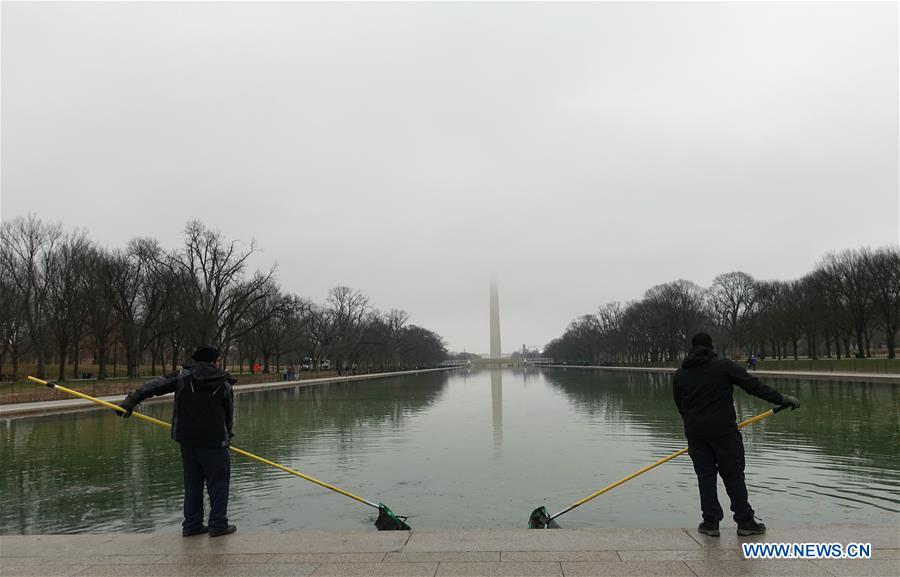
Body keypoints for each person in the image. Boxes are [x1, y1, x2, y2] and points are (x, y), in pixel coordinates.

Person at [673, 333, 800, 537]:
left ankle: (710, 523)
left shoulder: (681, 373)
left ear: (692, 348)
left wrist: (694, 425)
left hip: (696, 434)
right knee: (733, 475)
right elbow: (753, 386)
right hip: (724, 431)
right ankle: (745, 521)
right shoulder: (723, 365)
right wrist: (781, 398)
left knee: (706, 478)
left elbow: (680, 405)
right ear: (710, 346)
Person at [116, 346, 237, 538]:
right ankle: (218, 524)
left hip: (187, 440)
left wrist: (131, 400)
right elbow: (229, 416)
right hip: (214, 442)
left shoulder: (182, 377)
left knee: (192, 484)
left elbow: (154, 386)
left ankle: (192, 524)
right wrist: (227, 437)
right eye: (219, 360)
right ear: (214, 361)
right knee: (218, 484)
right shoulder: (223, 383)